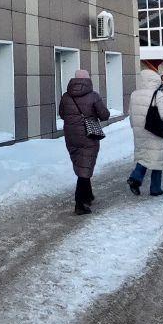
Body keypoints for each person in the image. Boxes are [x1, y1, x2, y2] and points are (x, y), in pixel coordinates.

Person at [58, 69, 110, 215]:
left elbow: (62, 114)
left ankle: (88, 195)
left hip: (71, 135)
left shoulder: (66, 96)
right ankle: (80, 204)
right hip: (88, 134)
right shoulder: (93, 96)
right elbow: (104, 115)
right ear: (87, 80)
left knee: (81, 164)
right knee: (85, 166)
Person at [127, 69, 163, 196]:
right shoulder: (158, 95)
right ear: (155, 81)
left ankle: (135, 178)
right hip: (155, 130)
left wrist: (135, 127)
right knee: (157, 158)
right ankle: (155, 188)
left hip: (139, 130)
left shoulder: (134, 94)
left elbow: (130, 113)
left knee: (144, 155)